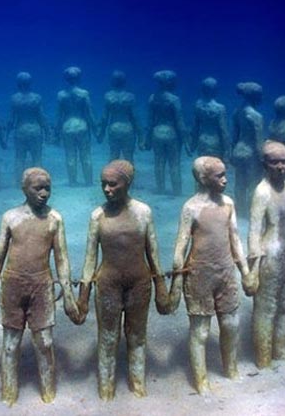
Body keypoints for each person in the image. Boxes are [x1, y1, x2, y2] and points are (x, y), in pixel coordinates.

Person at [0, 167, 79, 406]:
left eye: (47, 188)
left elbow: (62, 259)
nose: (44, 193)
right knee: (11, 343)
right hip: (13, 284)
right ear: (24, 189)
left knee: (44, 342)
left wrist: (68, 296)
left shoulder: (55, 219)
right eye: (38, 188)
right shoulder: (10, 217)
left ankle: (48, 393)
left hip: (42, 285)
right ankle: (9, 393)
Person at [77, 160, 169, 400]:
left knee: (137, 336)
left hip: (139, 283)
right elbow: (89, 260)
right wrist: (83, 298)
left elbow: (153, 253)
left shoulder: (143, 212)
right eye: (103, 184)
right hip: (108, 284)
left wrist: (161, 287)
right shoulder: (98, 216)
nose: (107, 189)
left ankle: (138, 386)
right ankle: (106, 391)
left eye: (112, 184)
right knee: (108, 338)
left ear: (127, 183)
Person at [167, 156, 256, 394]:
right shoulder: (191, 208)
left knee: (230, 324)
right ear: (203, 178)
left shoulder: (228, 203)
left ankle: (231, 369)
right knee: (201, 330)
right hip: (198, 275)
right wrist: (176, 285)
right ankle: (201, 380)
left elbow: (235, 239)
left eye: (225, 174)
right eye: (220, 176)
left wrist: (245, 272)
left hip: (225, 271)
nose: (225, 180)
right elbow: (180, 246)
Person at [248, 141, 285, 368]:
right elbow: (254, 231)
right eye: (274, 162)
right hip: (272, 253)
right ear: (264, 164)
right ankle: (263, 359)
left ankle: (280, 350)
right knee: (267, 306)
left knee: (284, 304)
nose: (280, 166)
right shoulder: (262, 192)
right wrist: (253, 268)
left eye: (284, 161)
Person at [145, 70, 190, 195]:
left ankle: (160, 189)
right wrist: (186, 141)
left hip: (156, 133)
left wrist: (147, 139)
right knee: (174, 163)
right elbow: (180, 122)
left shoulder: (152, 98)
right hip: (172, 134)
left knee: (159, 162)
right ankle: (177, 190)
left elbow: (150, 121)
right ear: (169, 83)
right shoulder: (174, 100)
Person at [56, 66, 97, 186]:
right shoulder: (84, 94)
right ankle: (88, 182)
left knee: (70, 155)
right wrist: (96, 130)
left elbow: (59, 116)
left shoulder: (61, 95)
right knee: (86, 155)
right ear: (79, 78)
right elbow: (89, 114)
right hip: (82, 126)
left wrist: (56, 132)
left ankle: (72, 182)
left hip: (67, 127)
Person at [7, 72, 49, 185]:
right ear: (30, 83)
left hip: (20, 131)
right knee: (37, 158)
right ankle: (39, 182)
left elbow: (11, 119)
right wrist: (47, 131)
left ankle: (19, 183)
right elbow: (41, 117)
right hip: (35, 130)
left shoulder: (14, 98)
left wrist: (5, 135)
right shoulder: (36, 98)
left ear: (18, 83)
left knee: (20, 158)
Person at [231, 82, 264, 216]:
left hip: (238, 150)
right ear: (255, 97)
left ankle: (240, 209)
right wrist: (262, 157)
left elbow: (234, 135)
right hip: (251, 153)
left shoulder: (237, 112)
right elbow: (258, 140)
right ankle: (252, 211)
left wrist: (232, 152)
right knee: (252, 183)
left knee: (239, 183)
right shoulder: (256, 116)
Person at [97, 70, 140, 163]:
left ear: (113, 81)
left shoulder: (108, 96)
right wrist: (141, 136)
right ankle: (129, 177)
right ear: (124, 82)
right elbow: (135, 118)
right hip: (128, 128)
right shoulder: (130, 97)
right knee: (129, 158)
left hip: (114, 128)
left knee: (113, 156)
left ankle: (111, 177)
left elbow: (105, 117)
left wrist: (101, 133)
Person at [190, 77, 230, 161]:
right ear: (215, 90)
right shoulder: (220, 108)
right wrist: (227, 149)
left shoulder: (198, 105)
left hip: (202, 141)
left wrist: (192, 145)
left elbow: (195, 128)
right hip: (216, 142)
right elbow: (223, 130)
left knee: (203, 168)